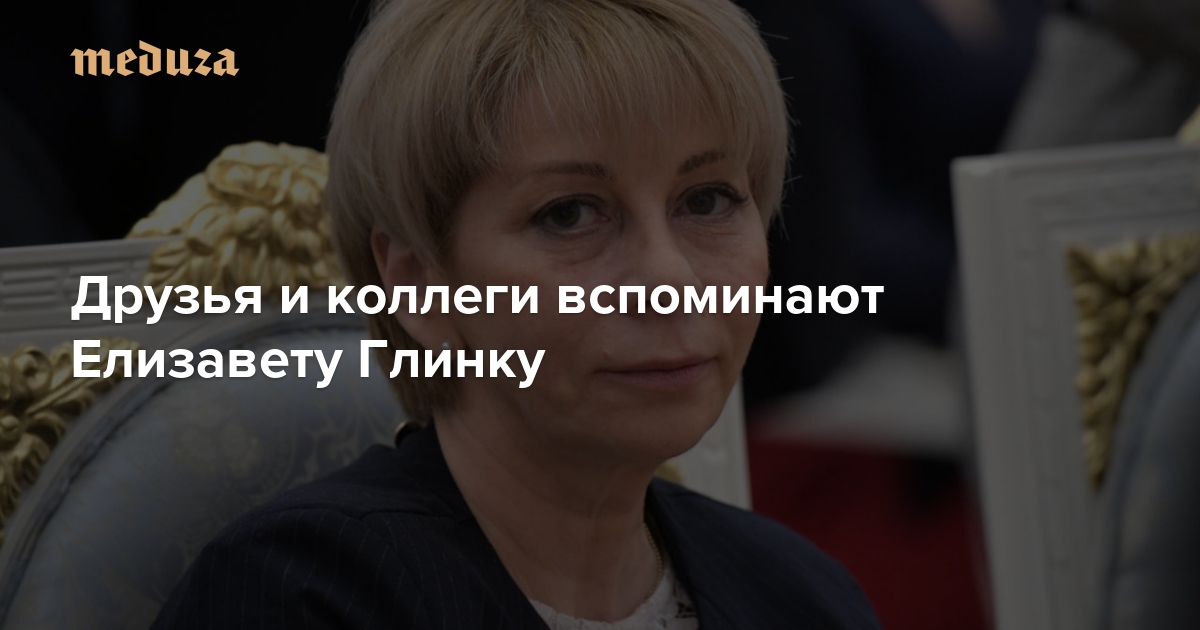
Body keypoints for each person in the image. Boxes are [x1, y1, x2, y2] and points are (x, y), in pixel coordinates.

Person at [151, 0, 882, 627]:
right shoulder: (296, 597)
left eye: (708, 200)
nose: (670, 281)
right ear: (418, 281)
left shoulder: (803, 595)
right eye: (569, 214)